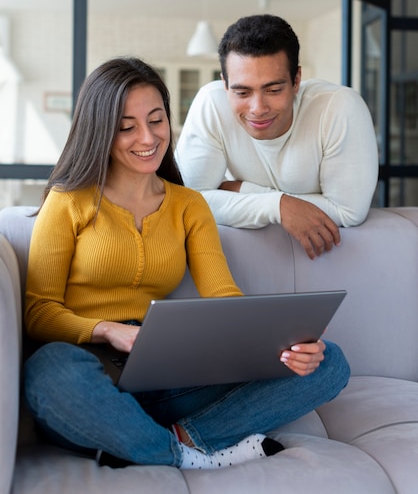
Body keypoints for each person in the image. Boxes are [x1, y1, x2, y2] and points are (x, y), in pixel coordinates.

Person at [24, 56, 350, 470]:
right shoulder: (68, 201)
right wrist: (110, 332)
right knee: (49, 371)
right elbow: (39, 312)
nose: (147, 137)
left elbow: (223, 296)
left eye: (156, 120)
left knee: (328, 363)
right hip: (89, 371)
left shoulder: (188, 205)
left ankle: (166, 444)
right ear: (101, 131)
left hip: (167, 374)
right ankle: (193, 451)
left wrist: (277, 342)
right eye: (126, 126)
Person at [175, 14, 379, 260]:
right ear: (225, 85)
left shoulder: (339, 108)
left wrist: (243, 190)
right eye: (242, 91)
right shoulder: (211, 103)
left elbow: (348, 212)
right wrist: (277, 206)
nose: (258, 108)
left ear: (296, 81)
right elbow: (188, 201)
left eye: (273, 90)